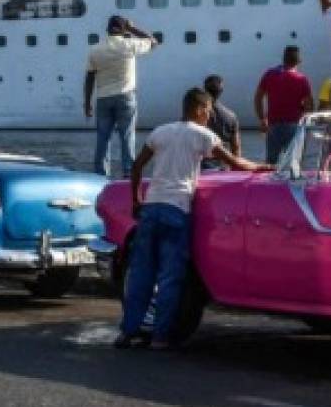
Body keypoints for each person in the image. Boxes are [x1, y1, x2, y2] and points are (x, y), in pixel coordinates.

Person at [114, 88, 267, 350]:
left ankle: (128, 333)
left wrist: (136, 200)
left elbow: (137, 166)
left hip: (151, 208)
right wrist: (264, 167)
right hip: (176, 209)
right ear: (198, 109)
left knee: (140, 274)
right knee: (170, 277)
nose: (209, 116)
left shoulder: (161, 131)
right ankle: (161, 337)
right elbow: (235, 163)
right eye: (207, 111)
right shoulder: (202, 135)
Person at [84, 15, 158, 177]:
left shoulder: (95, 49)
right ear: (123, 30)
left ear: (107, 29)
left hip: (103, 98)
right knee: (127, 137)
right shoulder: (129, 45)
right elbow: (153, 42)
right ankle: (128, 173)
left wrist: (87, 103)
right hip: (126, 97)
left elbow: (89, 78)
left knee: (103, 138)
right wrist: (132, 28)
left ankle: (100, 175)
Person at [254, 46, 314, 164]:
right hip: (294, 125)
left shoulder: (269, 74)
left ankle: (269, 182)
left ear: (283, 59)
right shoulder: (302, 79)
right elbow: (309, 105)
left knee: (270, 163)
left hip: (273, 125)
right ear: (299, 61)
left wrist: (262, 119)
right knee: (293, 163)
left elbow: (258, 98)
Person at [202, 74, 241, 166]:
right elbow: (236, 147)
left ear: (204, 89)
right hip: (221, 165)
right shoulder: (231, 116)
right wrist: (236, 167)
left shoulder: (196, 114)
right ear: (221, 91)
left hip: (199, 165)